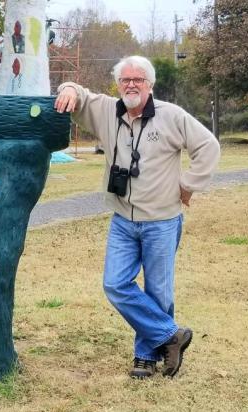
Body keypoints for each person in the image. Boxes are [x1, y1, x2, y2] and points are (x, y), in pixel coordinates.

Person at [54, 56, 220, 379]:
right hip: (122, 220)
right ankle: (171, 335)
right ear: (118, 84)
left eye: (138, 80)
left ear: (150, 85)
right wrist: (69, 89)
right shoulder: (106, 110)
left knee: (158, 291)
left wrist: (188, 184)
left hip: (162, 220)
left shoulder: (172, 116)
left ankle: (145, 357)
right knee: (115, 284)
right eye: (125, 80)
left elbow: (208, 146)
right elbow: (78, 95)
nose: (131, 85)